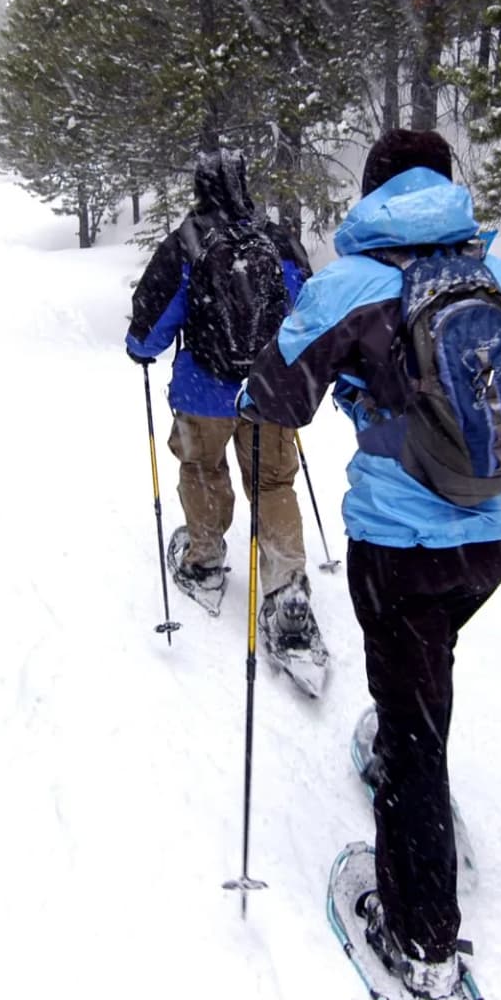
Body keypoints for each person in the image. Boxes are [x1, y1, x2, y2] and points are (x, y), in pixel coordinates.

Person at [242, 129, 501, 1000]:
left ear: (373, 191)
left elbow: (277, 397)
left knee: (411, 722)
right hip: (494, 546)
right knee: (430, 665)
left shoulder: (352, 283)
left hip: (400, 547)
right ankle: (412, 745)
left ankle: (422, 939)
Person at [125, 149, 322, 658]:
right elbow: (309, 311)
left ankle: (205, 558)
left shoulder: (186, 243)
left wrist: (140, 350)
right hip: (268, 393)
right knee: (274, 481)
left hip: (203, 393)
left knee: (202, 467)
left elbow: (150, 327)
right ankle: (286, 588)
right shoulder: (277, 241)